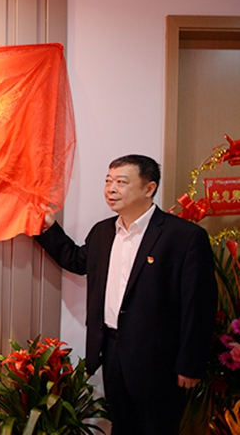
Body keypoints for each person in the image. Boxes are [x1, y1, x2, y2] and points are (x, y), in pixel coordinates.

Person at [36, 154, 217, 435]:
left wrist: (191, 364)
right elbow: (77, 261)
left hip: (161, 360)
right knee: (121, 427)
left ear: (149, 188)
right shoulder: (103, 232)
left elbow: (199, 306)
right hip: (112, 350)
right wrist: (47, 226)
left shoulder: (184, 236)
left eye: (121, 182)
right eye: (108, 181)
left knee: (158, 428)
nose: (111, 189)